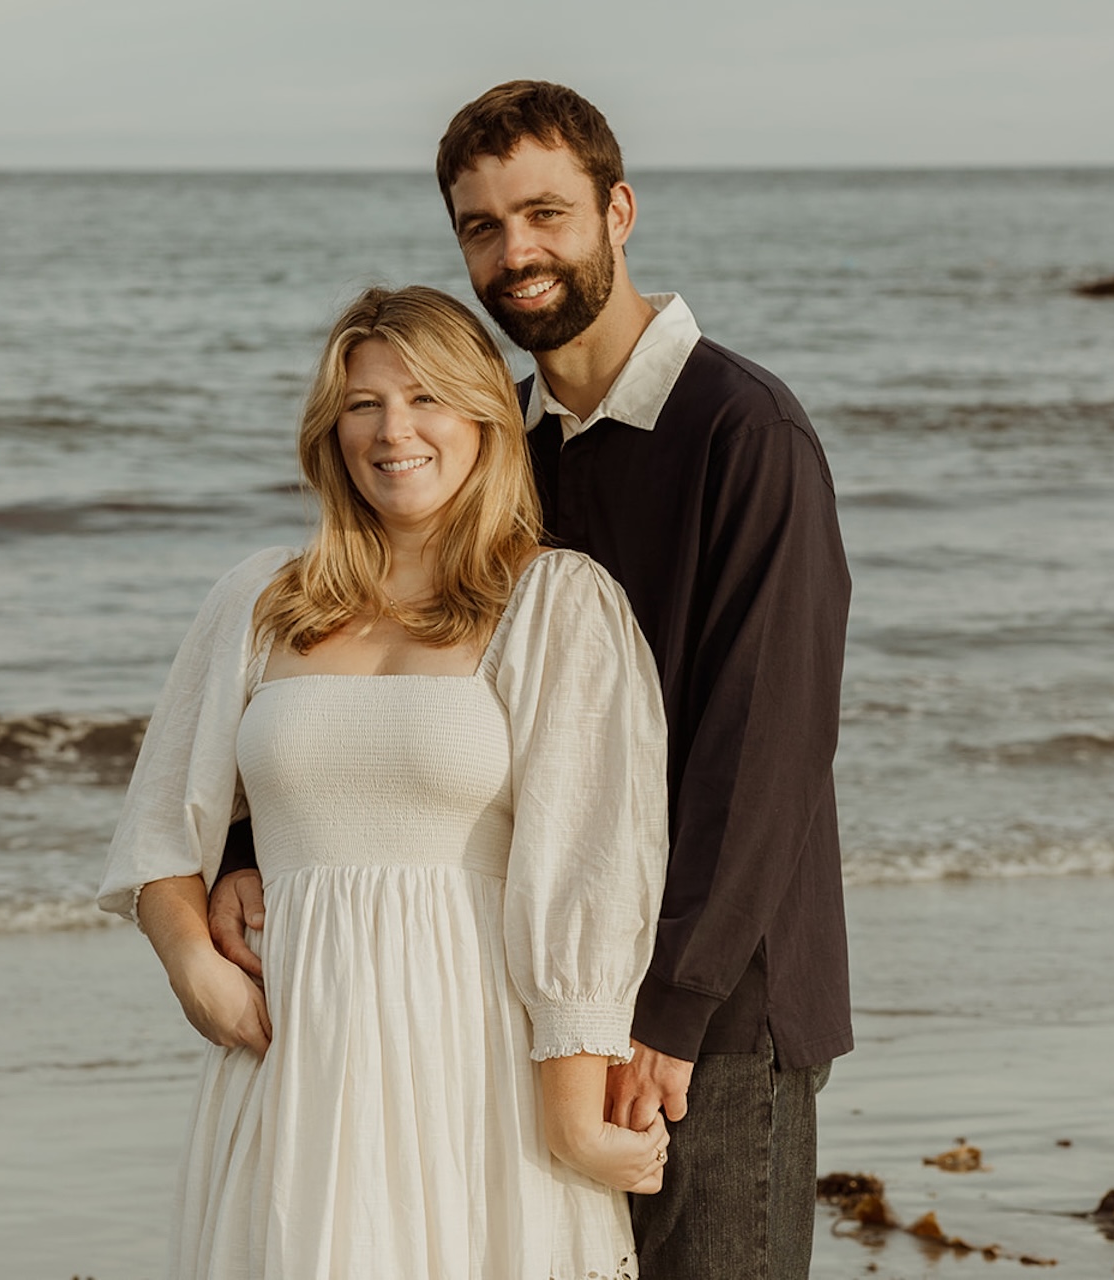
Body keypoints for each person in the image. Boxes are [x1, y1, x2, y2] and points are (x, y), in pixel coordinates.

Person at [211, 83, 852, 1278]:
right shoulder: (496, 441)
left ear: (620, 211)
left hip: (710, 1003)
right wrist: (248, 842)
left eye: (546, 213)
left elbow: (762, 750)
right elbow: (371, 652)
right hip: (532, 1000)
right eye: (482, 227)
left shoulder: (744, 432)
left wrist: (671, 1005)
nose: (518, 253)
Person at [99, 284, 671, 1280]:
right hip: (290, 1058)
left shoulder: (556, 603)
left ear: (489, 418)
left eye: (426, 398)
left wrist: (573, 1121)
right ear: (332, 429)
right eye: (364, 404)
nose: (393, 429)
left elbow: (587, 873)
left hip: (477, 1054)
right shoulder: (260, 598)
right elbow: (162, 828)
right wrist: (193, 963)